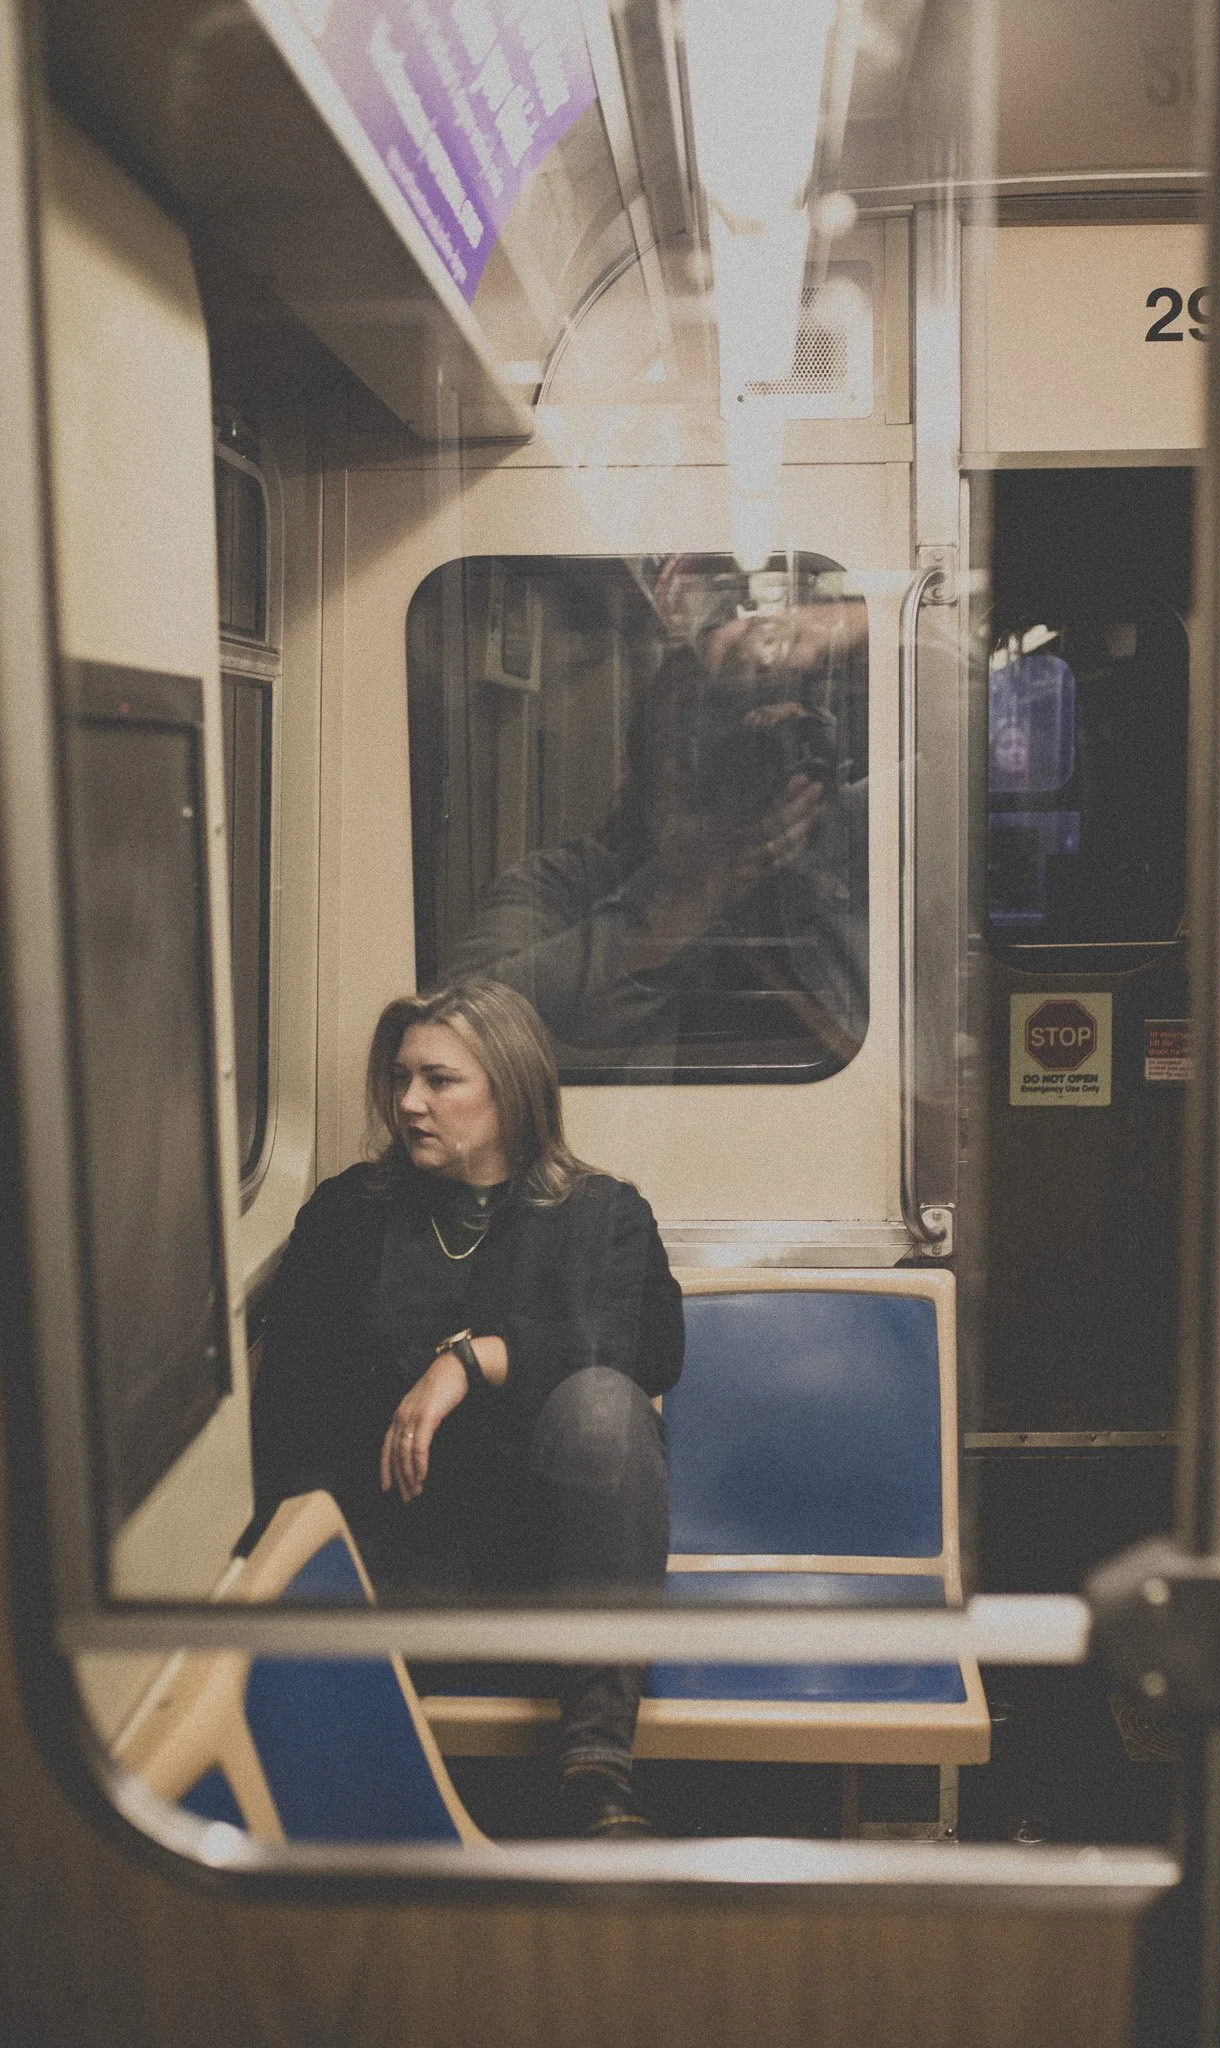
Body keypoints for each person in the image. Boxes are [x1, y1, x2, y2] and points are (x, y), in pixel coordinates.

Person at [250, 978, 683, 1836]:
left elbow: (645, 1350)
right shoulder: (348, 1213)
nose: (409, 1103)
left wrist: (480, 1358)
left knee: (603, 1406)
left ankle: (596, 1770)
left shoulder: (597, 1214)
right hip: (393, 1539)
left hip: (541, 1557)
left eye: (439, 1081)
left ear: (510, 1094)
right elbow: (296, 1392)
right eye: (402, 1079)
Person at [445, 598, 870, 1074]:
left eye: (731, 745)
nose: (706, 771)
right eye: (681, 744)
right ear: (642, 767)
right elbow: (454, 1039)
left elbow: (957, 758)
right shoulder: (562, 886)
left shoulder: (860, 845)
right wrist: (677, 905)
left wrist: (844, 622)